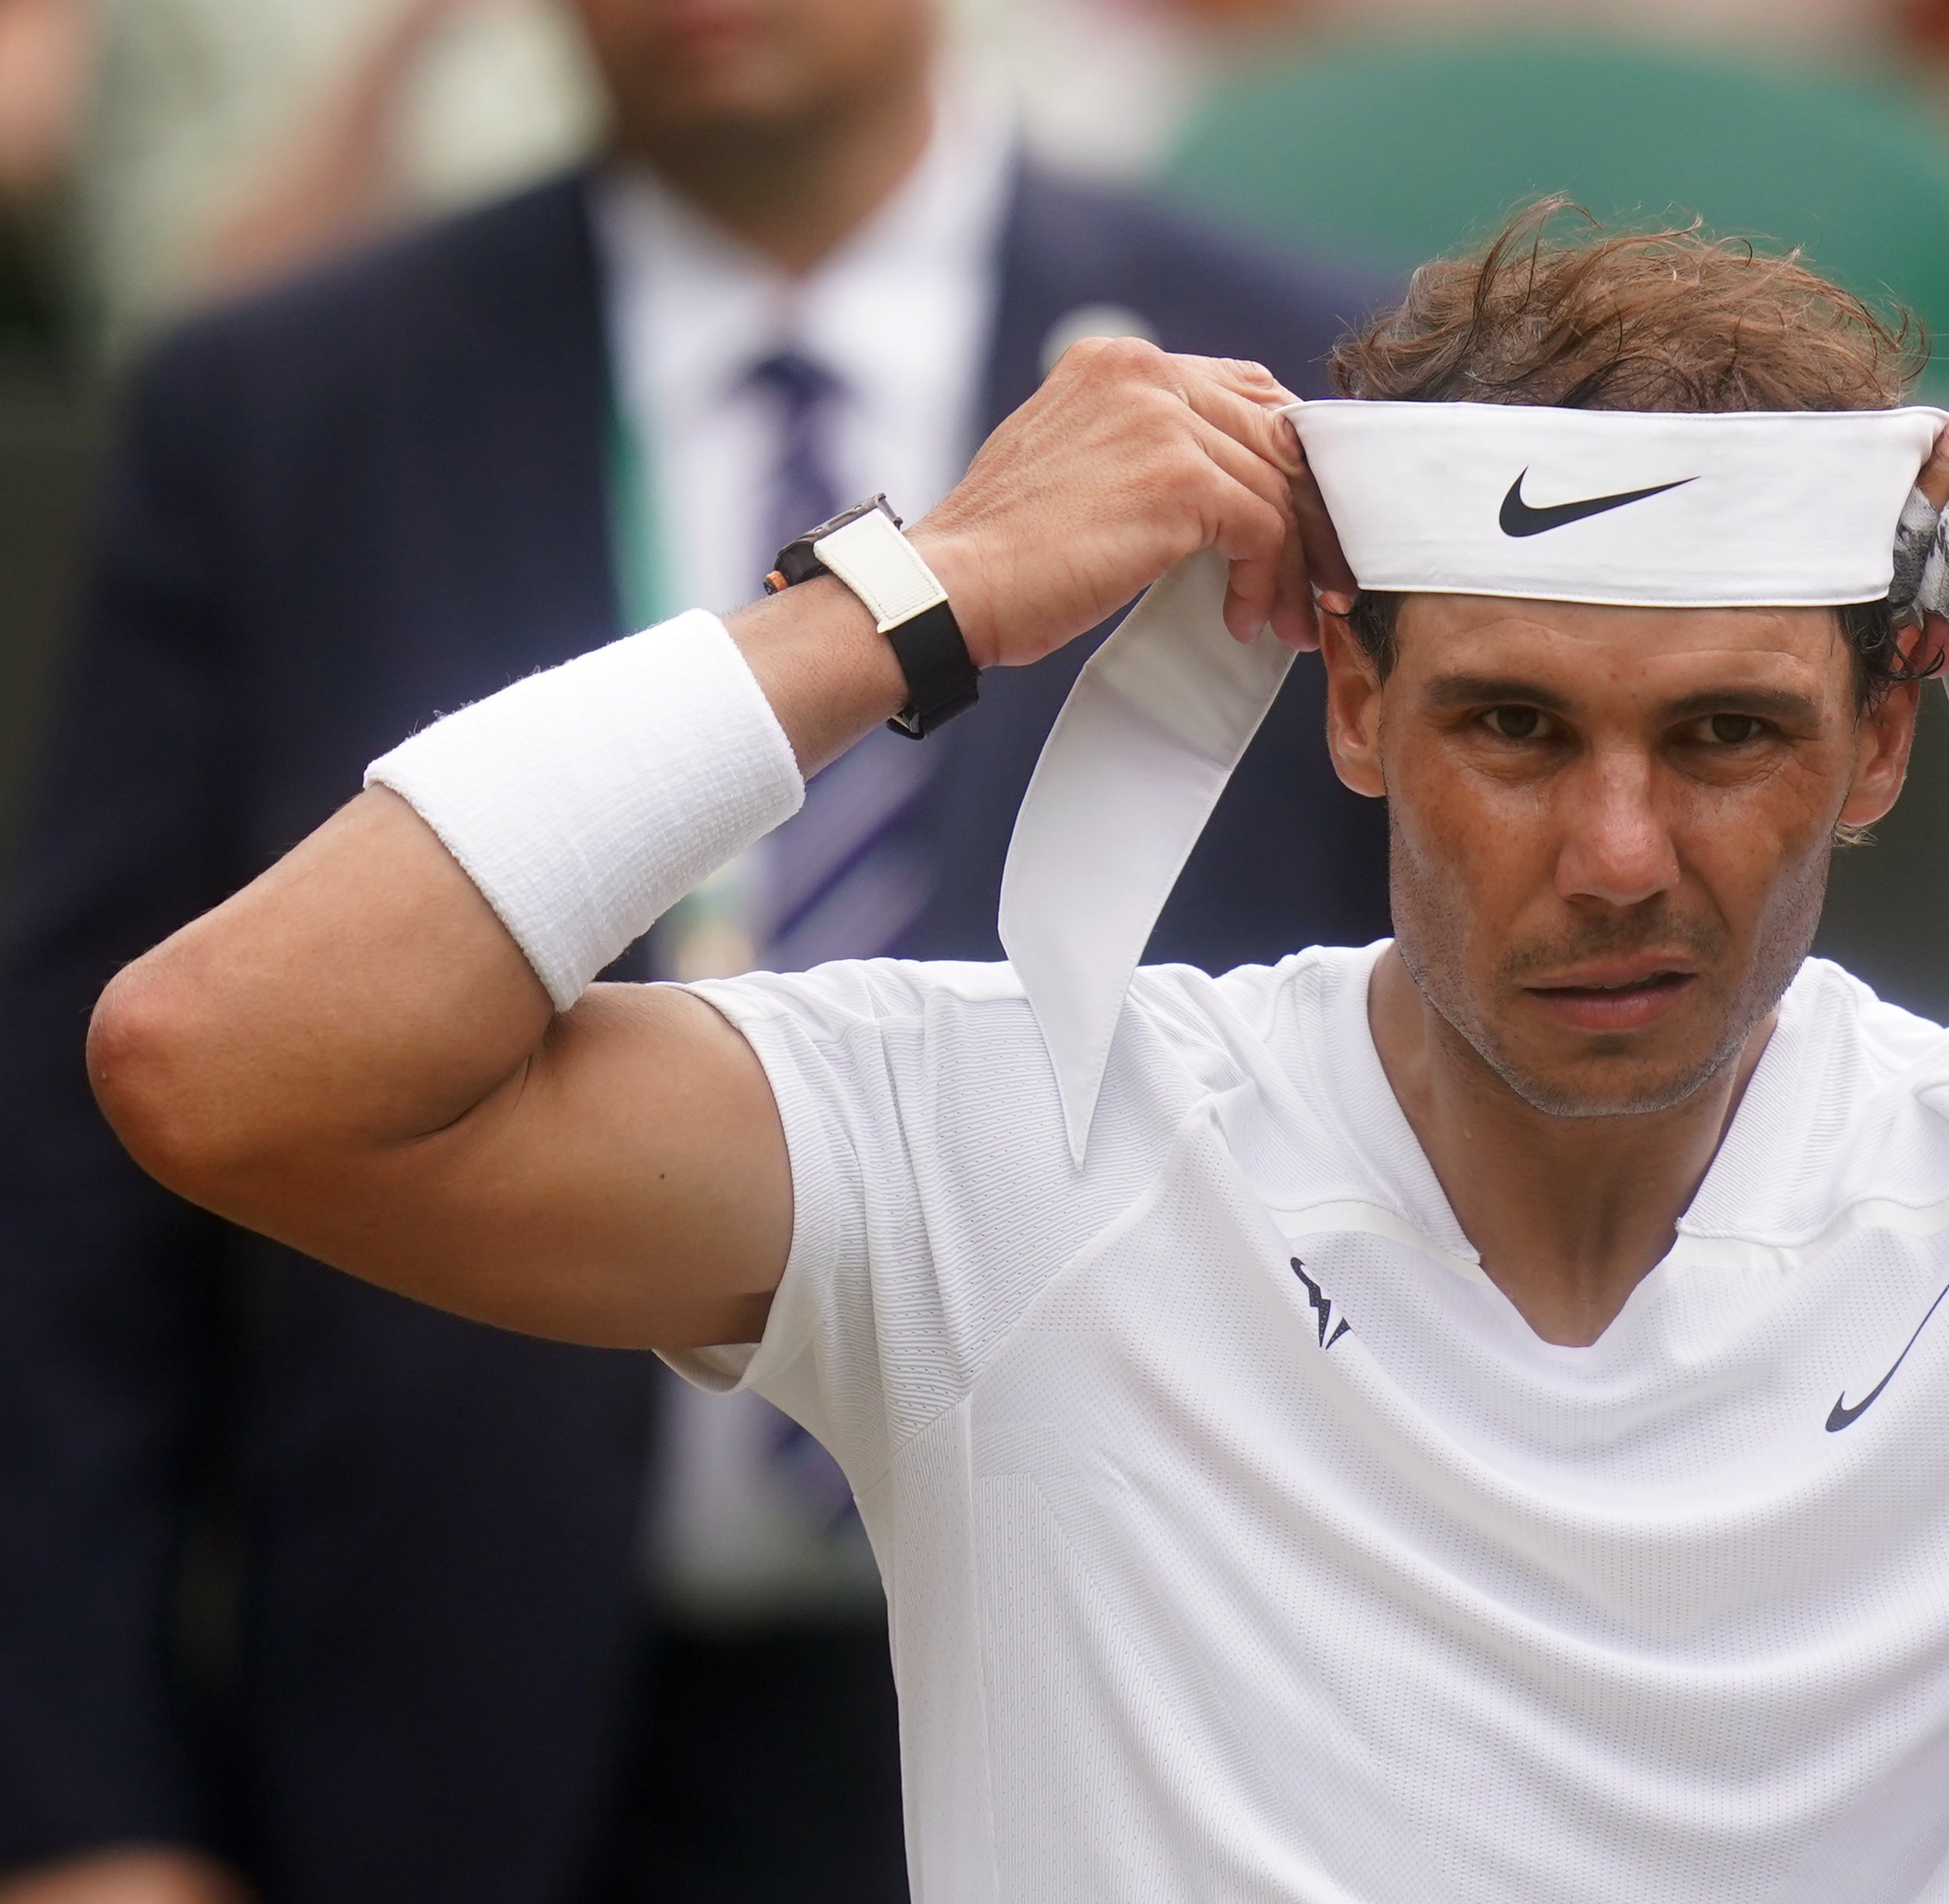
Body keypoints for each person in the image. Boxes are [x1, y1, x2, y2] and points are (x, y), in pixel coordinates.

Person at [77, 211, 1949, 1899]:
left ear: (1882, 739)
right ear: (1354, 709)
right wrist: (904, 598)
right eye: (1513, 722)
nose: (1615, 851)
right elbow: (233, 1059)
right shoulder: (993, 1133)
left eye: (1725, 734)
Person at [0, 0, 1386, 1899]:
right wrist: (89, 1810)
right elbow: (70, 1178)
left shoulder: (1315, 388)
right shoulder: (280, 409)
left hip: (1160, 1709)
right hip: (451, 1731)